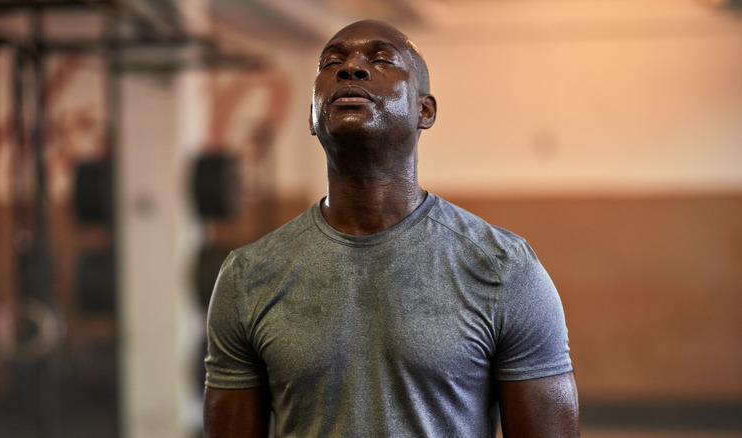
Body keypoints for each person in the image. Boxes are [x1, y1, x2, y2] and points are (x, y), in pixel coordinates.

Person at [203, 19, 579, 437]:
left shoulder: (504, 269)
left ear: (425, 110)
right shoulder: (248, 277)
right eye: (331, 62)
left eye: (382, 58)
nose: (351, 69)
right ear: (312, 116)